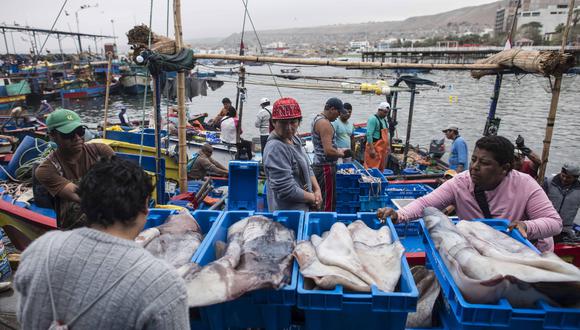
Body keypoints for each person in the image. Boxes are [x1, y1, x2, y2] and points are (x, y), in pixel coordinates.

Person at [16, 157, 189, 329]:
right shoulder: (163, 284)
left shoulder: (40, 249)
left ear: (83, 204)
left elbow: (23, 313)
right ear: (145, 208)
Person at [377, 135, 562, 252]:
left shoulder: (525, 185)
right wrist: (399, 215)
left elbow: (554, 223)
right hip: (481, 249)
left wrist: (526, 227)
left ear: (505, 168)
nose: (474, 167)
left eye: (484, 163)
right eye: (473, 160)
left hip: (526, 252)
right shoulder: (461, 182)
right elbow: (426, 203)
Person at [35, 109, 115, 229]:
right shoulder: (47, 170)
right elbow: (80, 196)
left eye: (80, 131)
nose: (77, 137)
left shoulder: (102, 151)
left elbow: (121, 181)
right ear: (52, 136)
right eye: (68, 134)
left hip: (113, 217)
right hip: (75, 229)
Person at [263, 97, 322, 212]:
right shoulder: (276, 148)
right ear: (274, 122)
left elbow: (307, 167)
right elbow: (286, 190)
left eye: (293, 122)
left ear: (299, 122)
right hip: (288, 214)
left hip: (304, 207)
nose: (289, 128)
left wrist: (317, 190)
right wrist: (313, 198)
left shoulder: (294, 138)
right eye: (283, 123)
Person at [311, 97, 352, 211]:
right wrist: (341, 153)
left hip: (319, 165)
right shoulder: (325, 124)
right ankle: (326, 225)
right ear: (332, 109)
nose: (338, 115)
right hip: (325, 168)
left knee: (321, 198)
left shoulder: (317, 119)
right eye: (338, 112)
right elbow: (328, 151)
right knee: (327, 201)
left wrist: (337, 150)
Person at [543, 163, 580, 242]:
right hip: (546, 224)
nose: (564, 179)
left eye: (568, 178)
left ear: (576, 178)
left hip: (564, 229)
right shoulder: (548, 182)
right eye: (563, 175)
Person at [364, 102, 390, 171]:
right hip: (374, 147)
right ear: (379, 110)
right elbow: (369, 134)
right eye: (384, 112)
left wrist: (388, 146)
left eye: (387, 112)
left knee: (381, 168)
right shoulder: (373, 119)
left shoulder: (384, 120)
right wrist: (372, 150)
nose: (386, 114)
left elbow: (386, 135)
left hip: (382, 149)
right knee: (372, 168)